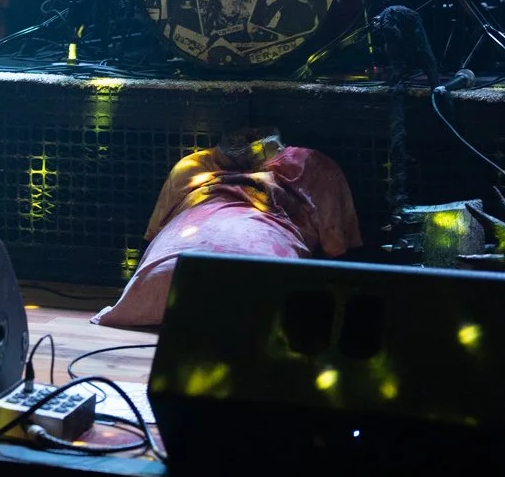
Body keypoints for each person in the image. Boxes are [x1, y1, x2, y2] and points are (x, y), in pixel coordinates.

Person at [93, 123, 360, 330]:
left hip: (255, 229)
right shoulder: (192, 166)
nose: (246, 139)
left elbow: (336, 249)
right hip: (195, 233)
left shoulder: (308, 163)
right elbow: (335, 248)